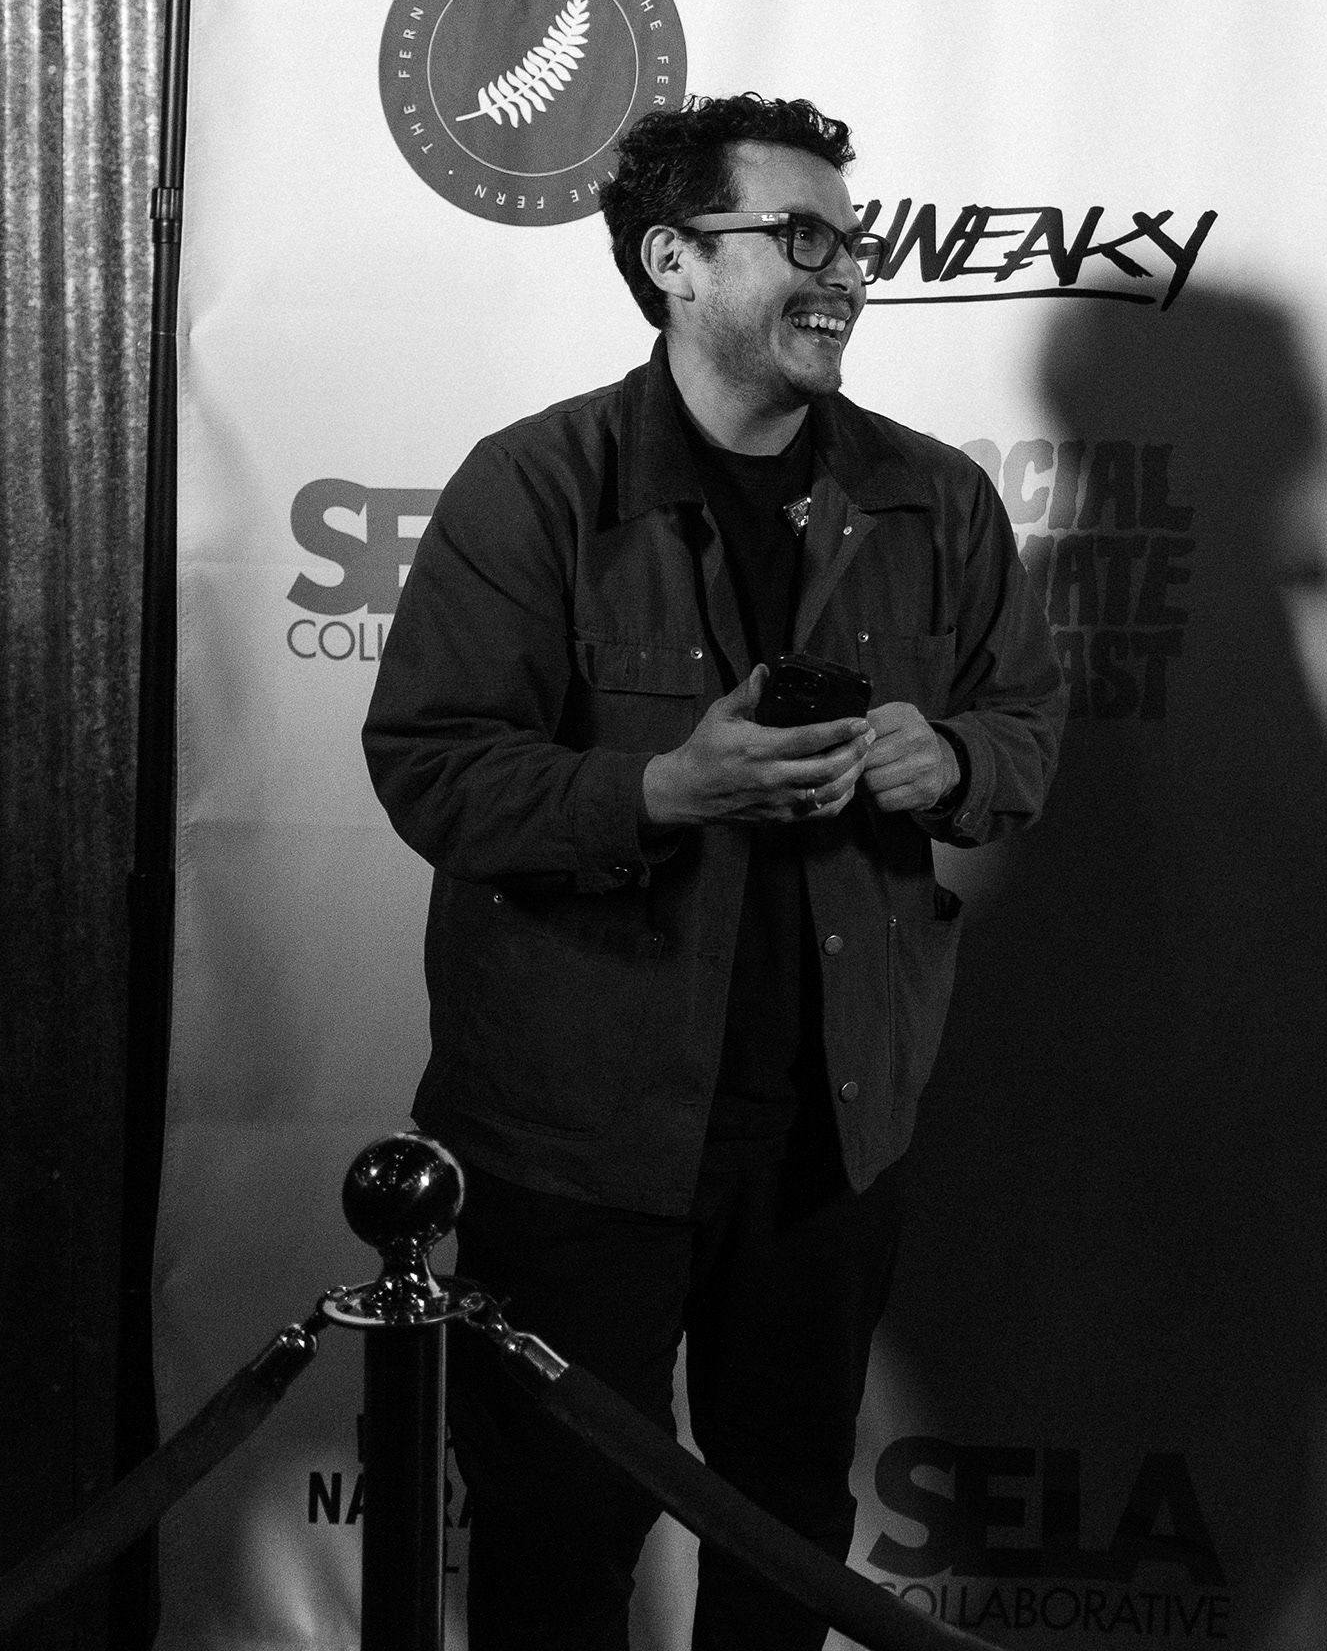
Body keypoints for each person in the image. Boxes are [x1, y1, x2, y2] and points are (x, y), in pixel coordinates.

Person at [366, 91, 1063, 1649]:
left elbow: (1024, 726)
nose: (846, 274)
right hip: (577, 1136)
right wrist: (659, 788)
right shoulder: (536, 485)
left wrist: (949, 761)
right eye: (801, 237)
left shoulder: (933, 497)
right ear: (672, 259)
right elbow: (432, 765)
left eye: (854, 243)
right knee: (558, 1537)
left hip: (832, 1133)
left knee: (788, 1533)